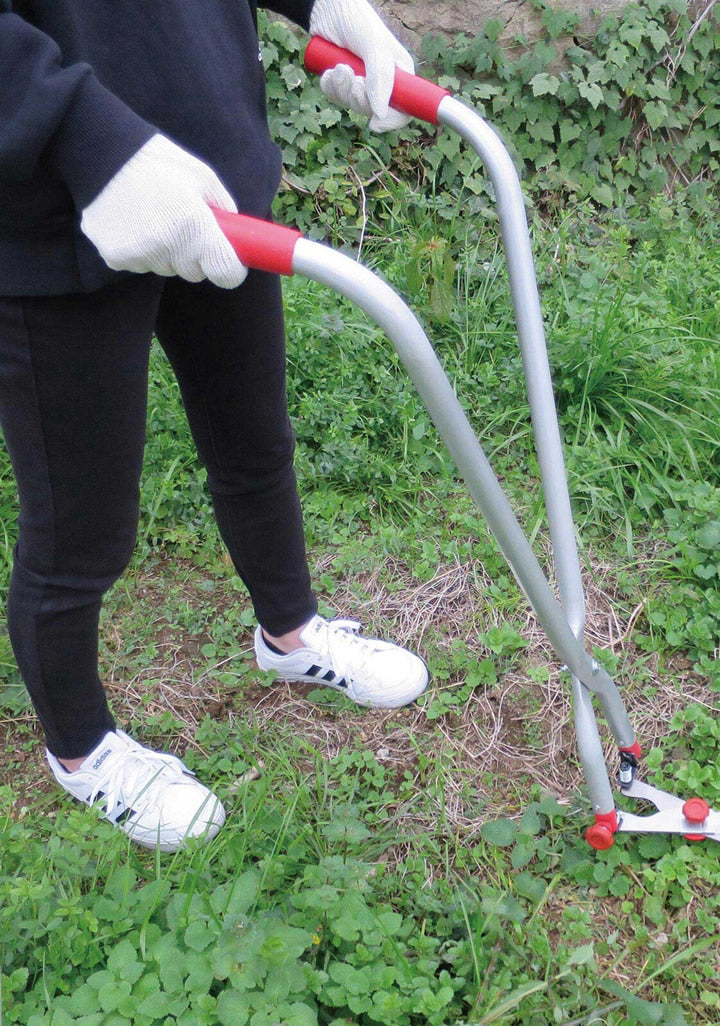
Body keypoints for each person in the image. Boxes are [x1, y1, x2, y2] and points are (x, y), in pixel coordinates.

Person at [0, 0, 427, 852]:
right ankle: (81, 751)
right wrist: (82, 133)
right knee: (82, 531)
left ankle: (292, 633)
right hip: (62, 203)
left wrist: (324, 4)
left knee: (255, 444)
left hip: (209, 174)